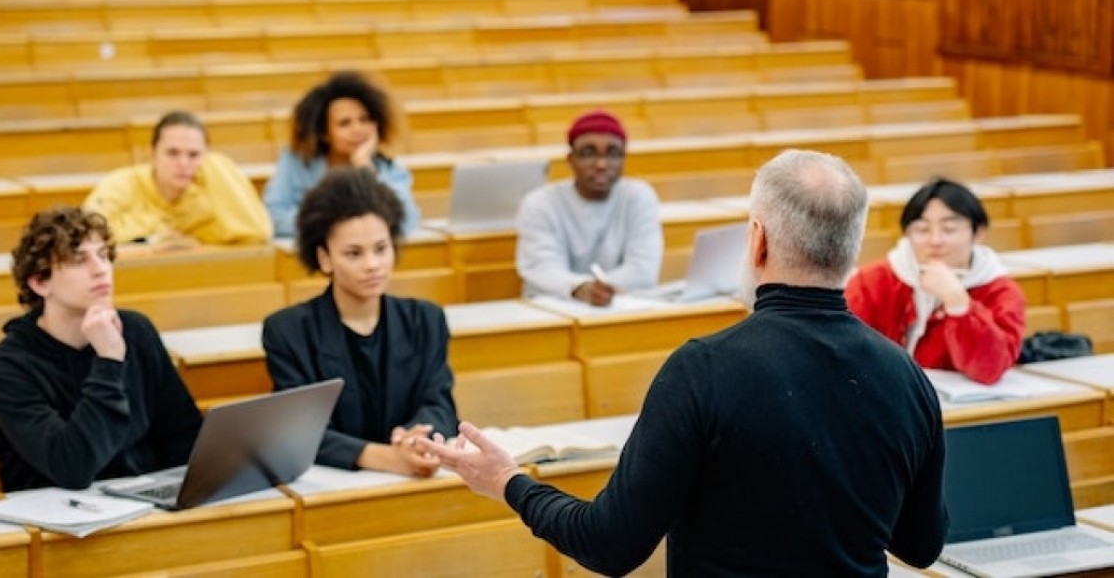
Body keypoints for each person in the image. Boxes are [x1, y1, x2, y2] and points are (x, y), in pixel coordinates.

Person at [422, 149, 948, 576]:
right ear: (851, 249)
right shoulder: (905, 376)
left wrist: (509, 481)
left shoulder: (705, 370)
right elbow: (922, 547)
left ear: (757, 240)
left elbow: (610, 545)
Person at [0, 206, 203, 492]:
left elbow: (183, 435)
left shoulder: (136, 331)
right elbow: (73, 467)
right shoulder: (9, 366)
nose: (100, 269)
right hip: (56, 520)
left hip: (143, 506)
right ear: (40, 282)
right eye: (78, 260)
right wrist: (109, 360)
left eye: (103, 256)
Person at [261, 167, 456, 477]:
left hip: (412, 478)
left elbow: (440, 404)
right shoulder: (288, 331)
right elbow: (299, 432)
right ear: (324, 258)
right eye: (354, 254)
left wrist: (417, 438)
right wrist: (386, 457)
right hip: (333, 484)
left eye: (381, 249)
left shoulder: (425, 319)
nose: (373, 265)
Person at [846, 176, 1025, 385]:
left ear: (978, 233)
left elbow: (989, 370)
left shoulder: (1000, 291)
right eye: (922, 230)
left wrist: (958, 303)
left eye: (949, 229)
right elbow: (848, 351)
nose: (935, 241)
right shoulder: (874, 281)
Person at [515, 109, 662, 306]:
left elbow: (643, 269)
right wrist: (581, 288)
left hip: (621, 307)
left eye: (613, 153)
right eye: (588, 153)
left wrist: (600, 291)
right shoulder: (540, 203)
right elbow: (541, 268)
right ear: (571, 159)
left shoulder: (638, 196)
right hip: (555, 308)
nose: (601, 164)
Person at [263, 71, 420, 238]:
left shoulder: (386, 168)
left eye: (365, 120)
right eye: (344, 123)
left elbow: (407, 222)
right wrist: (339, 222)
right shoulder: (297, 161)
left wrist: (365, 168)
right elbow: (273, 218)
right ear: (324, 133)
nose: (357, 130)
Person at [83, 110, 272, 247]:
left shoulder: (206, 196)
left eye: (194, 155)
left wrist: (216, 163)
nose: (183, 163)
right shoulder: (121, 185)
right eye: (172, 153)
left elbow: (258, 234)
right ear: (152, 154)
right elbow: (86, 240)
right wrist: (154, 247)